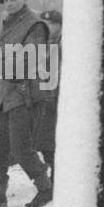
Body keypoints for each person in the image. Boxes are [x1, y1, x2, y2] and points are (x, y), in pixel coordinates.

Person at [0, 0, 52, 207]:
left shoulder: (34, 25)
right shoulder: (10, 25)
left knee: (21, 149)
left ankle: (46, 188)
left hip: (25, 96)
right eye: (7, 0)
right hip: (7, 96)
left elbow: (31, 59)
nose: (10, 3)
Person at [34, 9, 61, 175]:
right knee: (44, 143)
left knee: (51, 143)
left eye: (52, 24)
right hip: (45, 100)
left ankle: (55, 177)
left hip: (56, 101)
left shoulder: (62, 44)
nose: (48, 27)